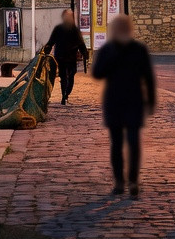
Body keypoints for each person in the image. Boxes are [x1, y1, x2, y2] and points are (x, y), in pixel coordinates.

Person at [91, 14, 156, 196]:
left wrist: (151, 100)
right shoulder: (108, 49)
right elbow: (97, 73)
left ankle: (133, 180)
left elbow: (148, 76)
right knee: (117, 143)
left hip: (133, 101)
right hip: (115, 102)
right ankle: (120, 181)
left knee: (133, 142)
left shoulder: (138, 49)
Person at [42, 10, 89, 104]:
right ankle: (64, 95)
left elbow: (80, 43)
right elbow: (51, 41)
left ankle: (65, 94)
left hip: (69, 56)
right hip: (62, 56)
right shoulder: (59, 29)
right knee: (65, 76)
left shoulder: (74, 30)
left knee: (70, 75)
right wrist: (46, 49)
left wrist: (84, 52)